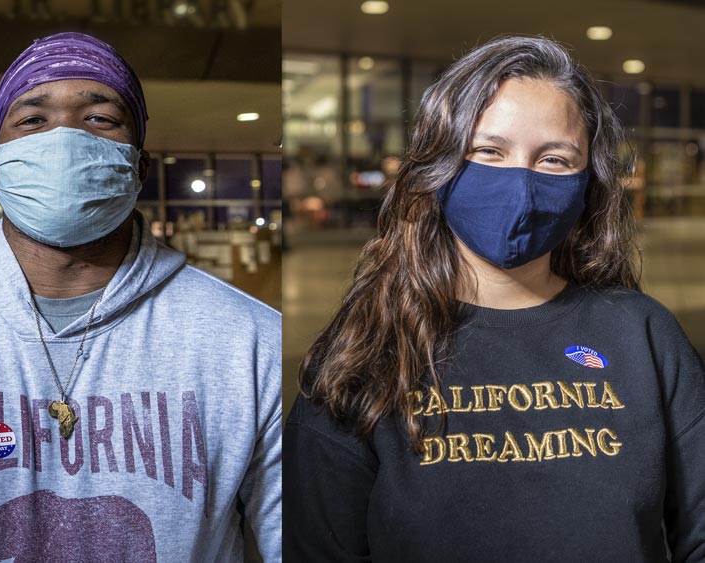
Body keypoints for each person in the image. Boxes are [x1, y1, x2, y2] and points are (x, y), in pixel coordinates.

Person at [0, 32, 281, 562]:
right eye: (33, 120)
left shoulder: (251, 342)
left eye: (99, 119)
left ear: (138, 167)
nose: (63, 138)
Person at [283, 35, 705, 562]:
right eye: (489, 151)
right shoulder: (361, 358)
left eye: (554, 159)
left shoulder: (645, 337)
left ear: (587, 185)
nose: (521, 187)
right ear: (439, 165)